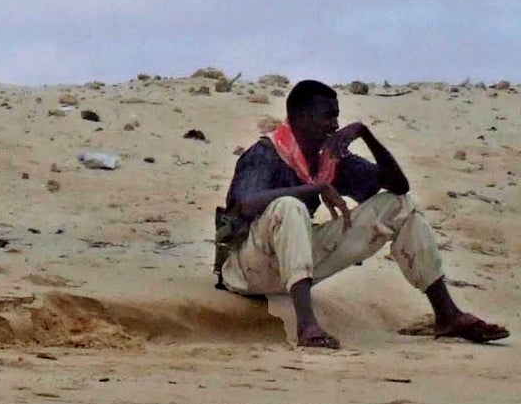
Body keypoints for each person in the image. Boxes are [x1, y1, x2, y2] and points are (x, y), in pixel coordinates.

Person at [216, 78, 509, 349]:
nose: (334, 124)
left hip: (292, 269)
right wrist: (312, 189)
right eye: (327, 116)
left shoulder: (328, 158)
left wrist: (364, 133)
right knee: (289, 207)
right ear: (302, 118)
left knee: (398, 205)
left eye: (337, 116)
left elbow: (398, 186)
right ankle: (307, 327)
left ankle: (447, 315)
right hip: (246, 270)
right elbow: (245, 203)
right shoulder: (266, 153)